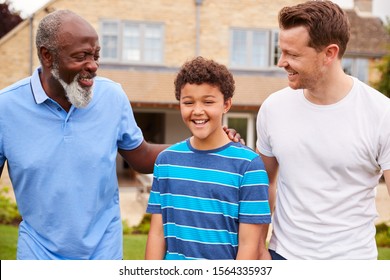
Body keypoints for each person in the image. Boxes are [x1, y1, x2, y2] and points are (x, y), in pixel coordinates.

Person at [0, 10, 241, 260]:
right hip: (37, 255)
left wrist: (205, 143)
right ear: (47, 56)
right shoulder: (5, 109)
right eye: (81, 56)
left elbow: (142, 156)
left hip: (104, 254)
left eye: (96, 55)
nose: (93, 66)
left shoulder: (111, 96)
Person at [256, 0, 390, 260]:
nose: (281, 62)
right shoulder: (273, 107)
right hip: (283, 256)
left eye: (293, 55)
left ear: (329, 53)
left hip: (352, 263)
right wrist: (260, 247)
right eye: (281, 51)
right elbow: (264, 184)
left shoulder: (382, 113)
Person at [145, 56, 271, 260]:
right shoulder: (166, 161)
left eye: (208, 101)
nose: (197, 111)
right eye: (188, 102)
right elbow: (157, 234)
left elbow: (250, 245)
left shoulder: (249, 166)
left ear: (226, 104)